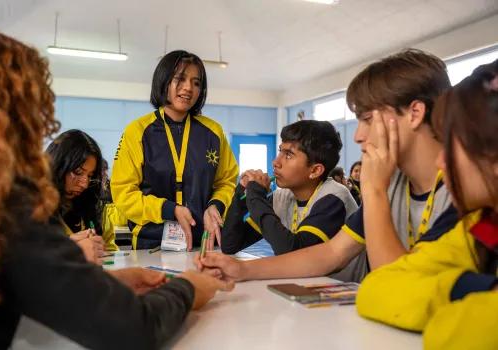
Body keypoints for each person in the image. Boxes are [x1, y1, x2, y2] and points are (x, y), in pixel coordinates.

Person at [0, 24, 232, 350]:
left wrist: (107, 282)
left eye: (196, 82)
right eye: (34, 108)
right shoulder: (5, 211)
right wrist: (187, 287)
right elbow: (132, 328)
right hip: (156, 250)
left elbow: (39, 284)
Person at [195, 49, 457, 283]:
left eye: (367, 119)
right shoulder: (396, 182)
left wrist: (374, 190)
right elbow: (332, 252)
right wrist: (243, 270)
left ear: (415, 113)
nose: (358, 136)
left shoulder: (464, 190)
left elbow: (397, 286)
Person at [357, 59, 498, 350]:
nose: (440, 161)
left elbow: (452, 334)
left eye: (452, 143)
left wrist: (373, 191)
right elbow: (376, 287)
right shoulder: (482, 225)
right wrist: (461, 288)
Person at [111, 50, 238, 250]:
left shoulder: (213, 132)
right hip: (150, 244)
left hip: (204, 244)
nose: (188, 88)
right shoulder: (137, 131)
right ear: (164, 81)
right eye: (180, 79)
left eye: (196, 83)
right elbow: (123, 194)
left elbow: (226, 182)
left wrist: (216, 205)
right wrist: (169, 209)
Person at [221, 120, 358, 255]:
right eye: (280, 151)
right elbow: (231, 245)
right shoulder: (282, 197)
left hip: (341, 279)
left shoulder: (334, 197)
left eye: (288, 155)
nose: (275, 162)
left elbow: (296, 253)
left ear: (315, 171)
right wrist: (240, 196)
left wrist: (256, 197)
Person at [46, 129, 110, 262]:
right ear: (58, 165)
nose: (84, 184)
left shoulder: (85, 203)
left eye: (90, 176)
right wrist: (69, 247)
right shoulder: (32, 204)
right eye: (77, 172)